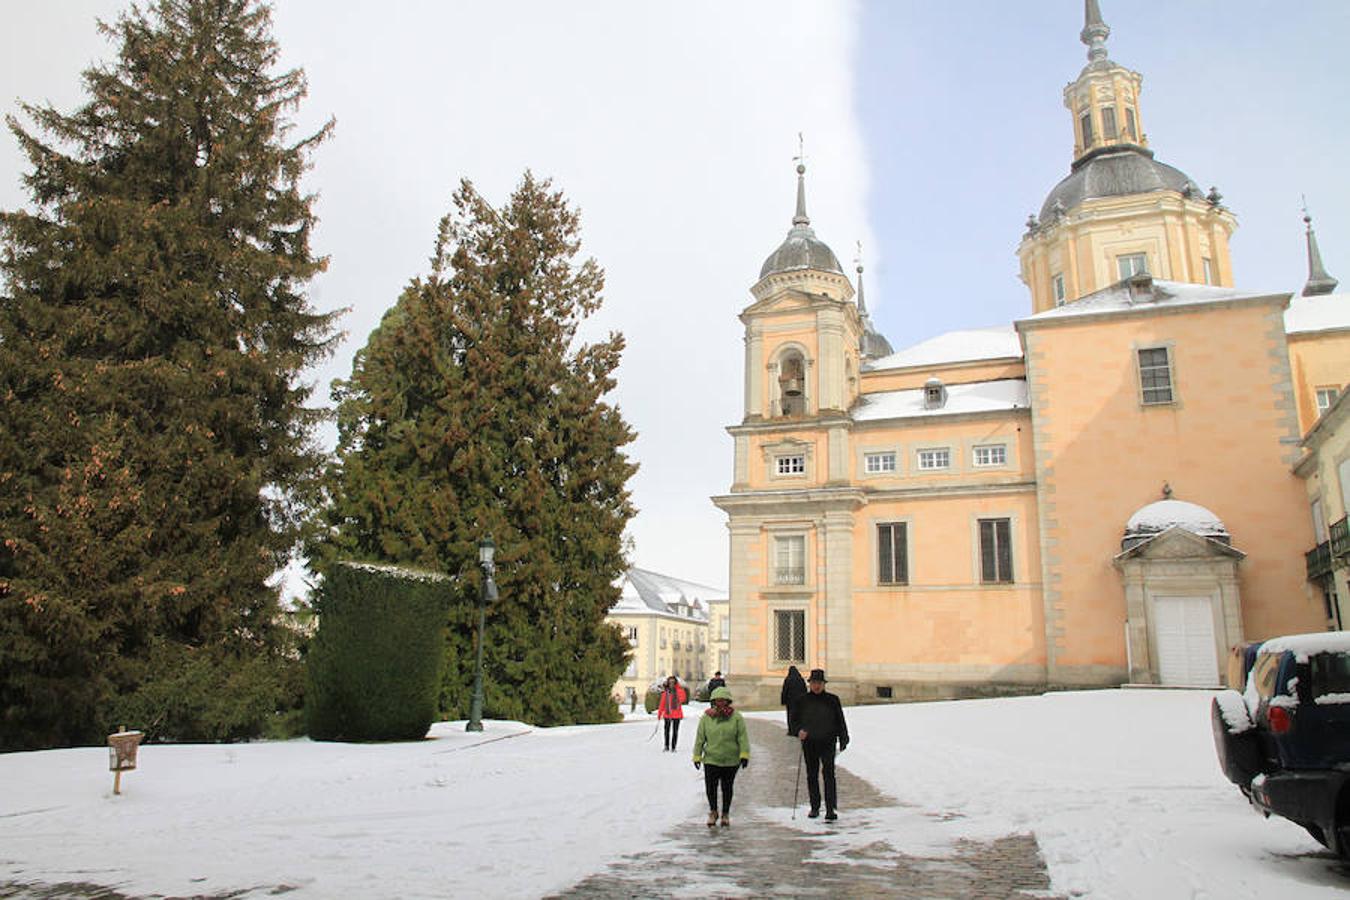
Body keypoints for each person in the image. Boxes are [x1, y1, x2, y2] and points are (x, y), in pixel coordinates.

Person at [791, 668, 849, 821]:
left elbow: (840, 720)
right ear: (810, 684)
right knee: (812, 775)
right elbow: (793, 721)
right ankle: (815, 807)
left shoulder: (832, 700)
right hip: (809, 742)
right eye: (814, 683)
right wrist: (798, 731)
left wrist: (844, 737)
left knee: (829, 775)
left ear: (824, 684)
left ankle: (830, 808)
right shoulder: (802, 700)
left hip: (828, 741)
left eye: (819, 683)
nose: (816, 686)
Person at [692, 686, 749, 827]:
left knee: (727, 788)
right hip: (711, 759)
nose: (720, 703)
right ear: (713, 702)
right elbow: (700, 738)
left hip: (731, 760)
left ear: (728, 701)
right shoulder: (706, 718)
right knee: (711, 788)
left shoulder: (736, 717)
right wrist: (697, 755)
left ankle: (725, 813)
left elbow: (742, 737)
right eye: (717, 700)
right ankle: (713, 811)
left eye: (723, 700)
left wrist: (744, 754)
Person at [656, 675, 687, 752]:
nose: (671, 684)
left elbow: (683, 699)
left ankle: (673, 747)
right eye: (670, 682)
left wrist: (677, 691)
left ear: (675, 683)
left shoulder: (679, 690)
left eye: (673, 682)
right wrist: (659, 714)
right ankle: (666, 746)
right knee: (666, 731)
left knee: (675, 731)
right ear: (668, 683)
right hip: (667, 714)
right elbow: (662, 704)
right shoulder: (665, 693)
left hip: (677, 714)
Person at [780, 665, 807, 736]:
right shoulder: (801, 679)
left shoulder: (788, 679)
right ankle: (798, 730)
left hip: (790, 702)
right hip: (800, 701)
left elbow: (785, 690)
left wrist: (783, 700)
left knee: (790, 716)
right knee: (799, 716)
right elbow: (805, 690)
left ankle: (791, 731)